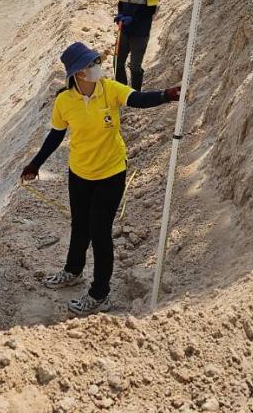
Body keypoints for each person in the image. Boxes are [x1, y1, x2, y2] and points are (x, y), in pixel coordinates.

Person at [21, 42, 179, 314]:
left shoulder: (109, 89)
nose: (97, 66)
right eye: (91, 64)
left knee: (100, 232)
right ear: (78, 73)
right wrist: (36, 164)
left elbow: (137, 99)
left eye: (96, 61)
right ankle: (73, 270)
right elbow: (56, 134)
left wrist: (166, 95)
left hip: (111, 172)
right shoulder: (64, 101)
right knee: (80, 225)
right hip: (80, 172)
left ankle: (99, 294)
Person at [114, 0, 159, 90]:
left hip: (140, 33)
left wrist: (133, 19)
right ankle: (122, 90)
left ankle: (135, 94)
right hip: (125, 31)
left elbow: (150, 10)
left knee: (134, 66)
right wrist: (120, 14)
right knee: (117, 62)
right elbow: (121, 2)